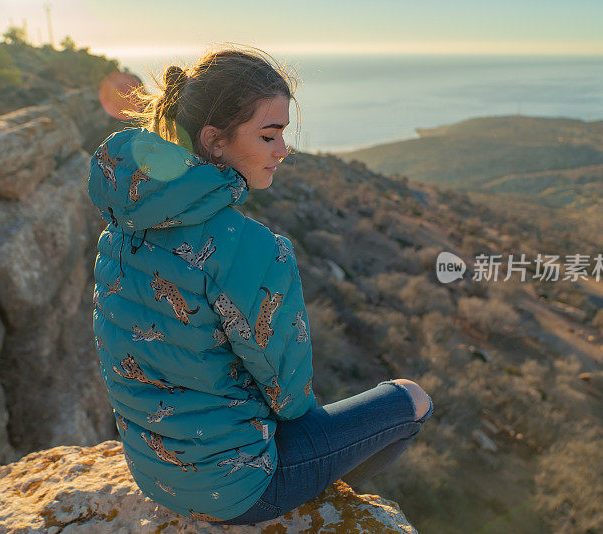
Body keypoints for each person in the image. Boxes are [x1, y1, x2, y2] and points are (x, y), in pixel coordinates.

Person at [87, 44, 434, 525]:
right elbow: (289, 399)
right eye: (269, 135)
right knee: (412, 399)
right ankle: (333, 499)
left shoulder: (118, 228)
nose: (283, 150)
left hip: (154, 472)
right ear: (215, 140)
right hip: (238, 491)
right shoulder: (251, 248)